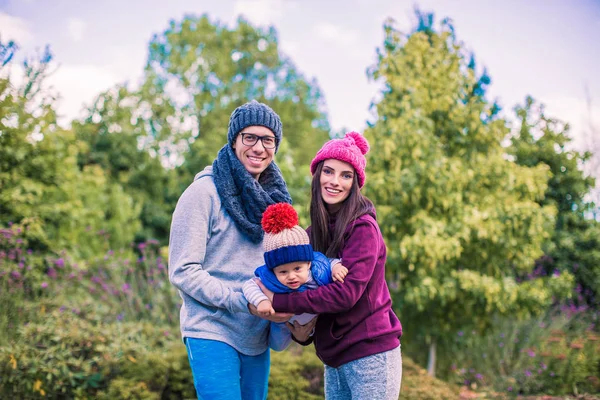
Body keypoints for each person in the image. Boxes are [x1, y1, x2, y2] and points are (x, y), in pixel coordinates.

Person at [257, 131, 403, 400]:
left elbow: (345, 295)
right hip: (334, 356)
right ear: (317, 176)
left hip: (370, 353)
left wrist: (278, 301)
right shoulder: (314, 233)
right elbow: (303, 284)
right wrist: (302, 333)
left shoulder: (363, 229)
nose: (335, 182)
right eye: (328, 172)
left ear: (355, 183)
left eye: (346, 175)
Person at [168, 100, 295, 400]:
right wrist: (240, 299)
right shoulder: (203, 193)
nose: (259, 148)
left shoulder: (276, 202)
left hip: (256, 332)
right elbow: (183, 270)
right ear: (234, 140)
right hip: (211, 328)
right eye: (250, 137)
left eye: (268, 140)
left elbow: (281, 268)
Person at [242, 202, 348, 329]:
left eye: (297, 269)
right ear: (273, 270)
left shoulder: (318, 268)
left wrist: (337, 267)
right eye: (283, 272)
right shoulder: (270, 278)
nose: (291, 276)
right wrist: (261, 301)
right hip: (283, 321)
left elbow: (329, 262)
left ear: (309, 263)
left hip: (315, 322)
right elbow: (249, 285)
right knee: (278, 341)